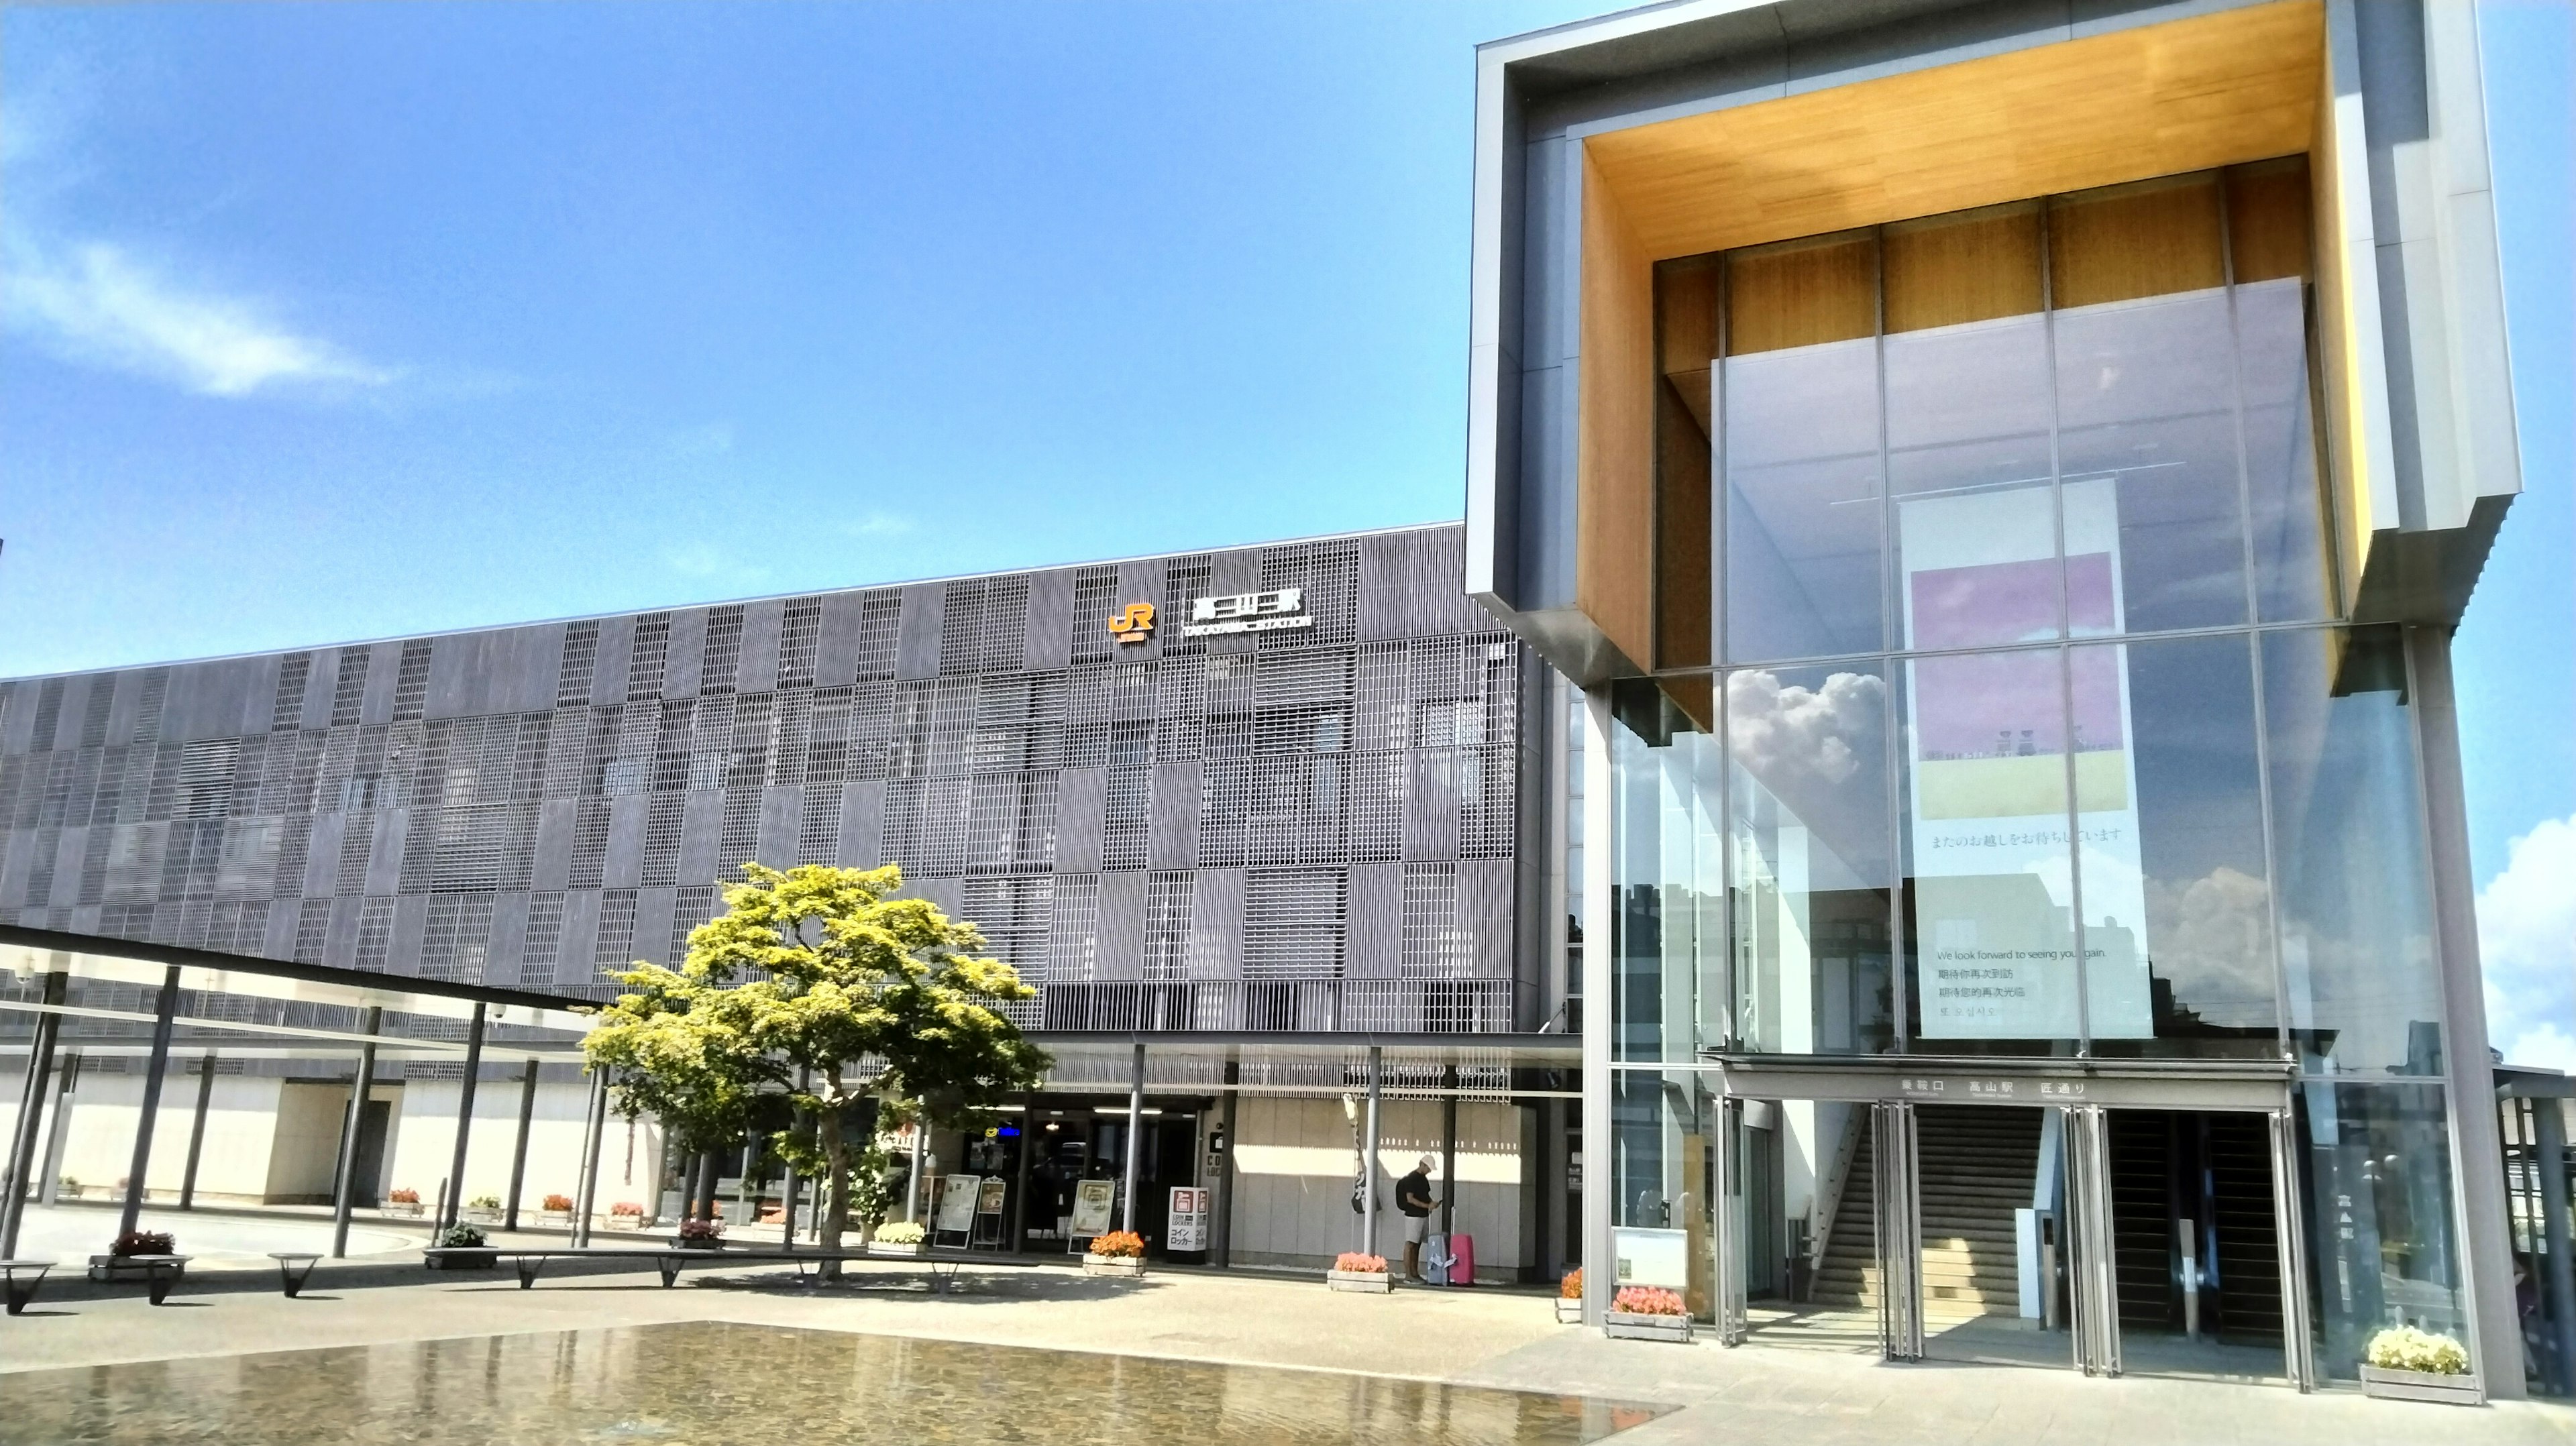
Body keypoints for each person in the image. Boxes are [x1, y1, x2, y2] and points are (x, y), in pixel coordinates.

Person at [1396, 1154, 1443, 1282]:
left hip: (1423, 1214)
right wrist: (1427, 1205)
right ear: (1421, 1164)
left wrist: (1432, 1203)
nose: (1429, 1171)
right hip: (1413, 1215)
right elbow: (1410, 1199)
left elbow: (1425, 1195)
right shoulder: (1412, 1178)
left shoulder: (1423, 1179)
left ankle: (1414, 1273)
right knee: (1410, 1243)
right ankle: (1408, 1275)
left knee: (1417, 1244)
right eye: (1428, 1168)